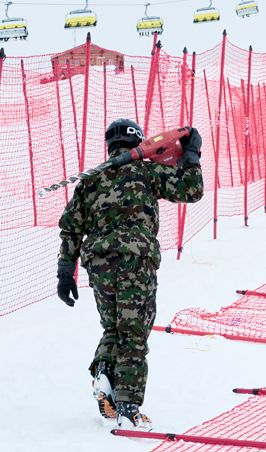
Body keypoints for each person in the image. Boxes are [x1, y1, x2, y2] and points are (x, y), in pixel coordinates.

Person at [57, 119, 203, 428]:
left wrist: (66, 270)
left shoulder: (91, 180)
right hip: (135, 260)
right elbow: (191, 189)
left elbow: (71, 227)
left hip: (99, 264)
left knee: (113, 327)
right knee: (133, 333)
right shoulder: (146, 171)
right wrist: (192, 154)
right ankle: (128, 406)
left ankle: (104, 375)